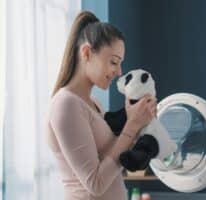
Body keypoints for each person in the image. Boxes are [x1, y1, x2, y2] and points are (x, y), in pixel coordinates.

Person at [46, 11, 157, 200]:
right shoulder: (66, 104)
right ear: (87, 53)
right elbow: (95, 183)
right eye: (114, 62)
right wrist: (131, 126)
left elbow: (113, 158)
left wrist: (136, 121)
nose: (119, 72)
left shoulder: (93, 103)